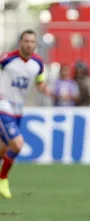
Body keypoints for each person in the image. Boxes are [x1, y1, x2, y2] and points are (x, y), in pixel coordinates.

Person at [0, 29, 51, 199]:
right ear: (20, 42)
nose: (29, 44)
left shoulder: (38, 63)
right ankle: (3, 179)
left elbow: (40, 83)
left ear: (35, 45)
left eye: (32, 42)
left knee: (4, 148)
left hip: (18, 109)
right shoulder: (7, 59)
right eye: (26, 41)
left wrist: (46, 90)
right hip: (3, 106)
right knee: (17, 144)